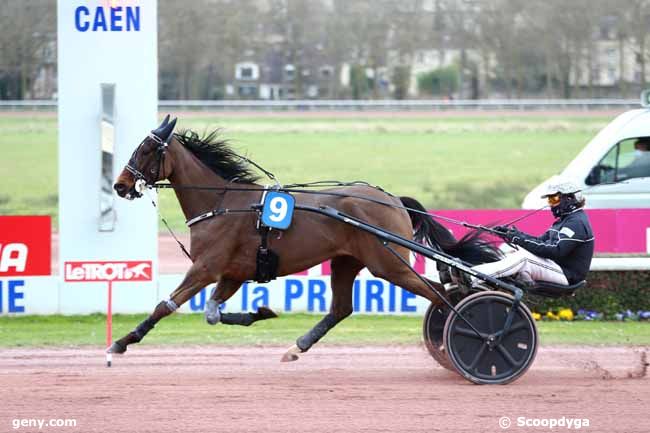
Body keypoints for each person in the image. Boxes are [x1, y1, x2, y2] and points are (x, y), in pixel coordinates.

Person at [471, 179, 595, 286]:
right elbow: (540, 241)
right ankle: (485, 281)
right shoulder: (564, 220)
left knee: (523, 258)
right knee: (509, 249)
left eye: (554, 199)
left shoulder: (576, 223)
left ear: (569, 198)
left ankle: (472, 276)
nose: (550, 204)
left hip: (567, 275)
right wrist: (513, 235)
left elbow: (556, 251)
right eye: (549, 200)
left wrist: (518, 239)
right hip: (554, 267)